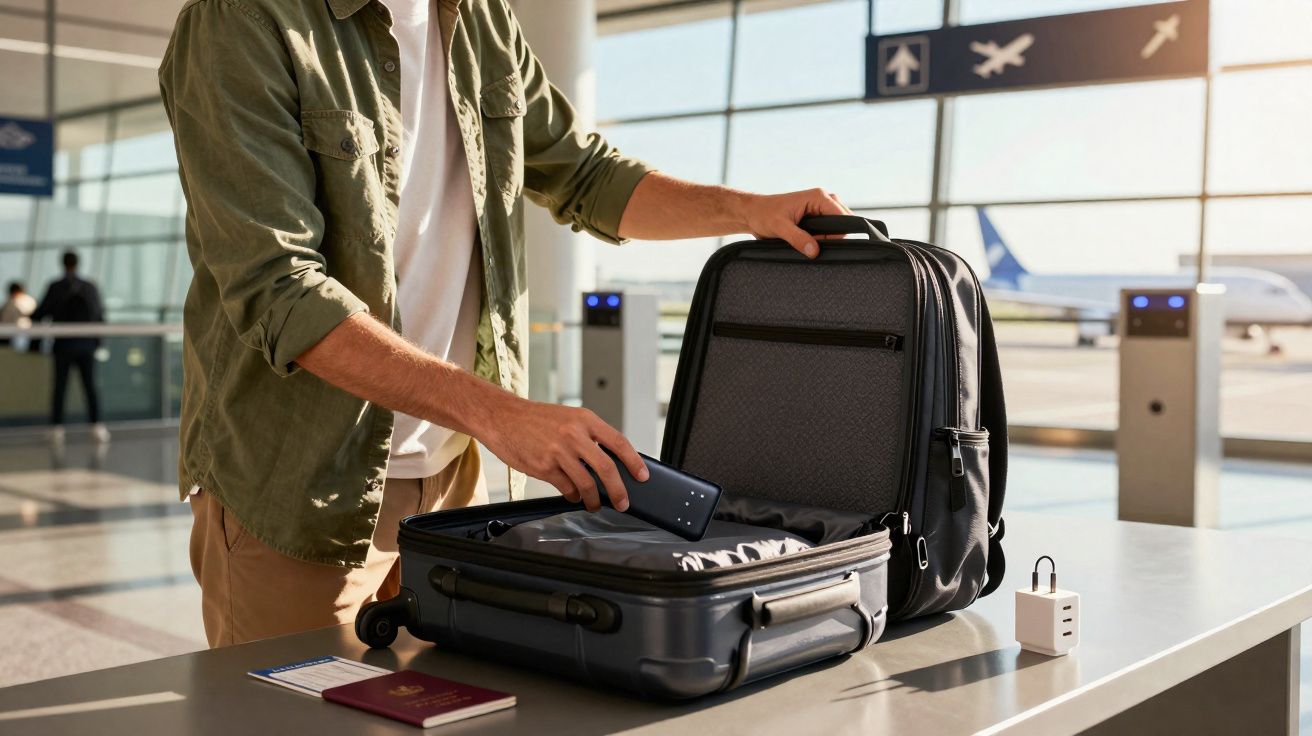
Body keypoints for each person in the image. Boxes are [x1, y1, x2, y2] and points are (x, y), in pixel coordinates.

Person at [161, 0, 853, 648]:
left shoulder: (481, 18)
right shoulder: (243, 20)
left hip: (453, 483)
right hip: (297, 491)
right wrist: (501, 415)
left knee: (437, 708)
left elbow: (585, 174)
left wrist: (747, 211)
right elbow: (280, 290)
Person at [32, 251, 109, 445]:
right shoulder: (89, 287)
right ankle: (96, 426)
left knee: (60, 387)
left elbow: (41, 313)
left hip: (63, 346)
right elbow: (99, 315)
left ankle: (56, 428)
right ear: (77, 263)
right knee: (90, 386)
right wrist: (98, 343)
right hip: (86, 345)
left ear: (63, 264)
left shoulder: (56, 287)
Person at [0, 281, 36, 347]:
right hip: (7, 331)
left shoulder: (27, 301)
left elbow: (28, 314)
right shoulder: (8, 302)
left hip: (22, 330)